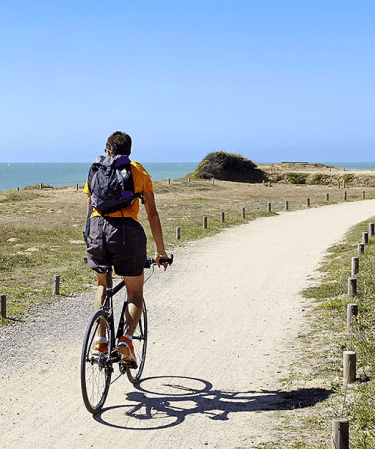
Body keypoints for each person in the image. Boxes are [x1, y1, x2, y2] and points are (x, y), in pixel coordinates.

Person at [83, 131, 169, 366]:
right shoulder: (137, 170)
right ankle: (126, 339)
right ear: (129, 151)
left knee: (102, 284)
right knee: (134, 292)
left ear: (107, 150)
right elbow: (152, 213)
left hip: (97, 231)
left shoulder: (96, 168)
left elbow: (90, 206)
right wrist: (160, 252)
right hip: (126, 234)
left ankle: (100, 341)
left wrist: (89, 236)